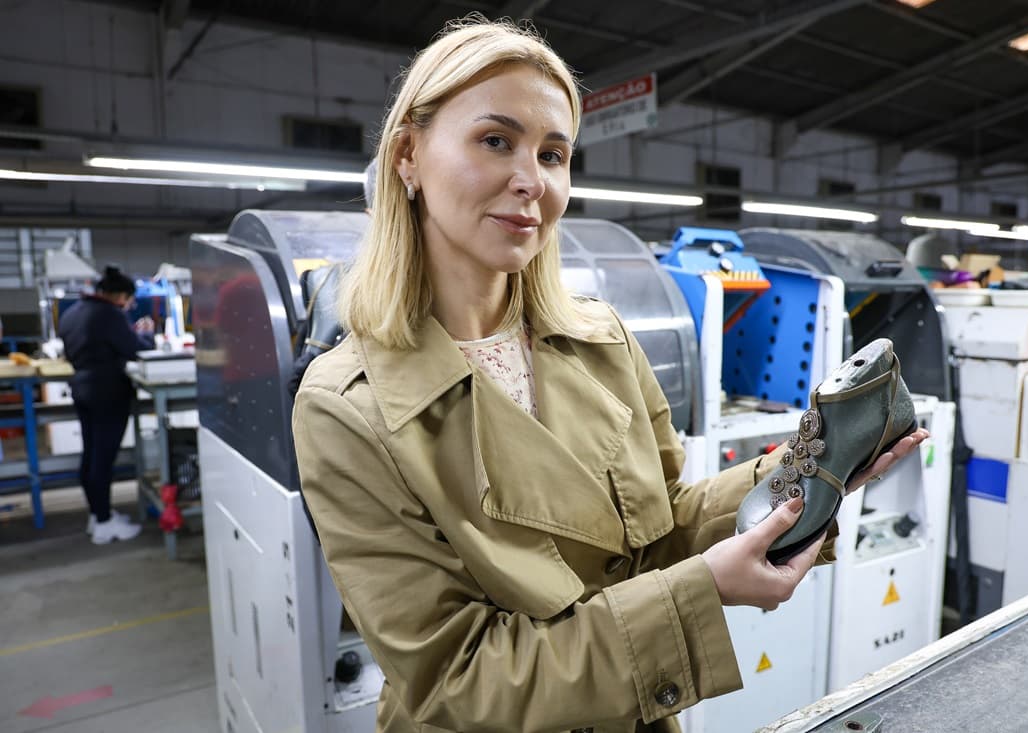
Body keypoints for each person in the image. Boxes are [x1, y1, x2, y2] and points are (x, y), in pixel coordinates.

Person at [292, 17, 928, 733]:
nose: (532, 180)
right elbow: (456, 677)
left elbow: (657, 531)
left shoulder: (600, 338)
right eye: (495, 140)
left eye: (554, 153)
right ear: (408, 154)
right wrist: (704, 590)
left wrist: (804, 473)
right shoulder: (346, 408)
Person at [59, 265, 155, 544]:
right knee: (103, 459)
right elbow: (136, 349)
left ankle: (96, 514)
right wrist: (146, 334)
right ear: (120, 295)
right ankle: (104, 524)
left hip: (82, 389)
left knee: (90, 455)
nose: (129, 305)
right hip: (107, 393)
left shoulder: (73, 312)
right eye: (128, 299)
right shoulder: (109, 314)